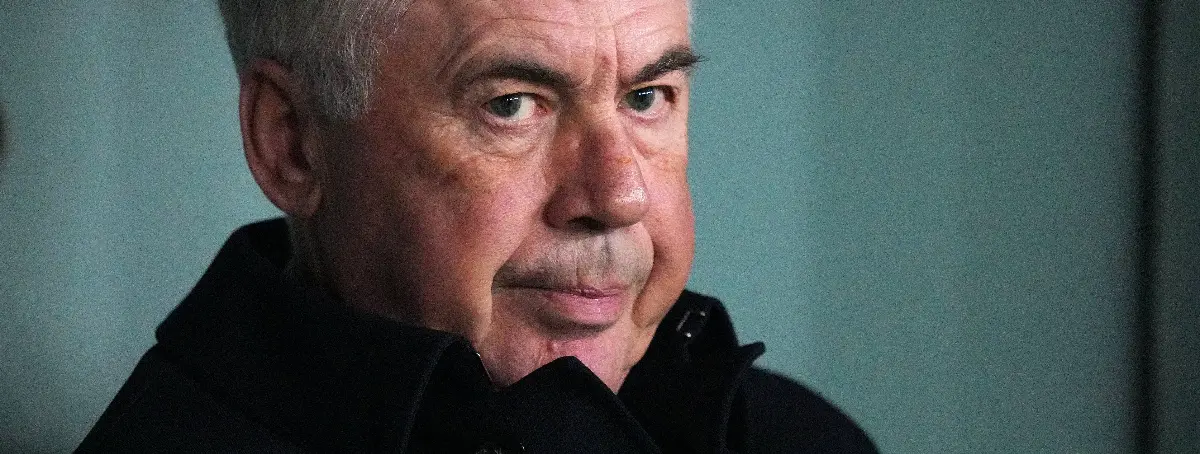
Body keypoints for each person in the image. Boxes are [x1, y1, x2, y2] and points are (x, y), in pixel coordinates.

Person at [78, 0, 877, 452]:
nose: (619, 195)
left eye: (646, 98)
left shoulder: (801, 440)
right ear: (292, 143)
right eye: (511, 105)